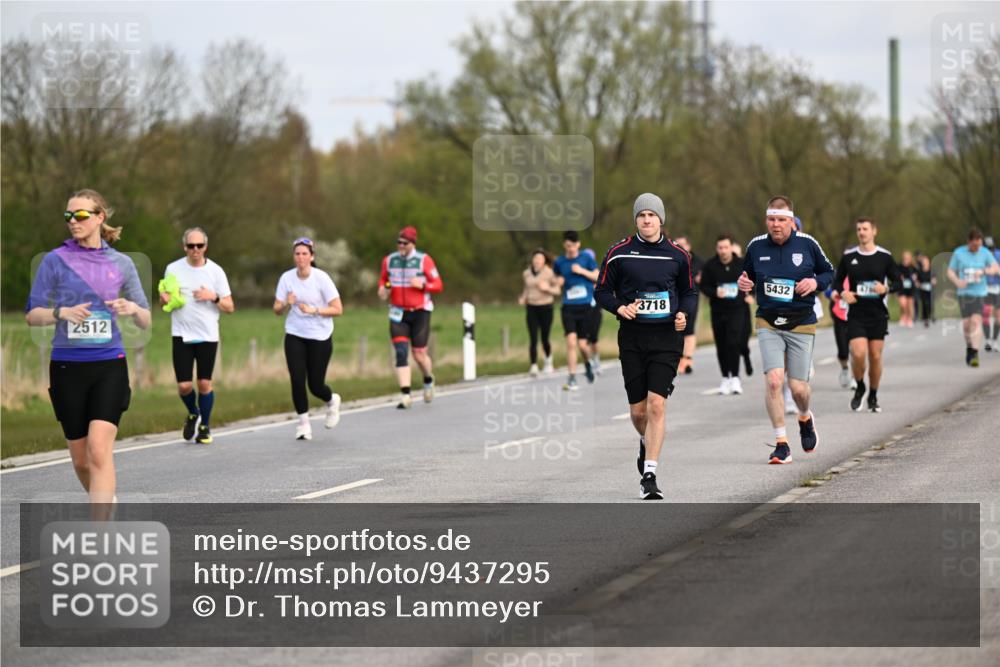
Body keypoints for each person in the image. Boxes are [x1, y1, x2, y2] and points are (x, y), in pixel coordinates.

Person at [26, 189, 151, 518]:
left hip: (109, 364)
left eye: (80, 215)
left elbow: (146, 317)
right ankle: (106, 501)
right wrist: (60, 314)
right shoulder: (54, 260)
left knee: (99, 449)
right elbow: (32, 314)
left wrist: (131, 307)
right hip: (67, 367)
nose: (73, 222)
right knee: (82, 460)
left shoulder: (121, 263)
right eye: (69, 216)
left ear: (99, 217)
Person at [594, 193, 697, 500]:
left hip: (666, 338)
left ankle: (649, 475)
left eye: (652, 215)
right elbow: (601, 291)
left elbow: (689, 292)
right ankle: (644, 440)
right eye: (642, 216)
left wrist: (683, 314)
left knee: (657, 405)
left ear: (661, 219)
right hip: (633, 339)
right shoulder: (619, 253)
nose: (647, 220)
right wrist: (619, 308)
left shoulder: (678, 255)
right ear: (636, 220)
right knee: (639, 413)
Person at [737, 196, 834, 464]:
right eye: (771, 219)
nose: (776, 225)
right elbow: (747, 277)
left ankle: (804, 417)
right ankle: (781, 443)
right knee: (774, 380)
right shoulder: (756, 246)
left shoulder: (808, 244)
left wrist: (814, 283)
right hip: (768, 321)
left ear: (791, 221)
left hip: (801, 321)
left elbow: (829, 273)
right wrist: (744, 284)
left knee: (798, 388)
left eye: (781, 220)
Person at [160, 227, 234, 444]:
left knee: (204, 384)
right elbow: (165, 298)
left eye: (199, 246)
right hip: (181, 333)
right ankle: (193, 412)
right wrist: (163, 299)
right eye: (191, 246)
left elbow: (230, 307)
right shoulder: (172, 269)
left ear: (205, 247)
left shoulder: (216, 272)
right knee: (184, 386)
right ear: (184, 247)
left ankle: (205, 426)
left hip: (208, 334)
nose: (195, 250)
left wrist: (213, 296)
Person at [274, 238, 343, 440]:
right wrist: (287, 303)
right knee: (297, 379)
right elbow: (277, 310)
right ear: (293, 256)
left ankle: (331, 400)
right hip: (295, 333)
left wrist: (314, 310)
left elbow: (338, 309)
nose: (301, 257)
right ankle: (303, 424)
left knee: (315, 385)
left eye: (305, 254)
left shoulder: (321, 278)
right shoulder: (286, 278)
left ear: (311, 257)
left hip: (320, 336)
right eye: (297, 254)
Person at [834, 218, 903, 413]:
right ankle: (860, 386)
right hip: (856, 314)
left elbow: (900, 282)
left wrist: (886, 288)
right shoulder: (849, 257)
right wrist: (843, 293)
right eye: (858, 229)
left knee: (874, 356)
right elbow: (837, 282)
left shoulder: (884, 257)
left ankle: (873, 394)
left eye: (865, 229)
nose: (862, 232)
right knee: (857, 353)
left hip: (877, 315)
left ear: (874, 231)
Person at [378, 226, 443, 408]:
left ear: (412, 244)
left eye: (404, 243)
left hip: (420, 311)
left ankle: (428, 379)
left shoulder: (424, 260)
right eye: (398, 242)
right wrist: (383, 289)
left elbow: (438, 284)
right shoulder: (389, 260)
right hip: (398, 312)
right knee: (400, 352)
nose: (400, 246)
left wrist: (422, 285)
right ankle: (405, 395)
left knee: (419, 354)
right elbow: (383, 280)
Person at [698, 234, 750, 395]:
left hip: (737, 309)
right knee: (721, 344)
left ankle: (735, 377)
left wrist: (751, 294)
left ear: (731, 247)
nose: (723, 251)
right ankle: (725, 377)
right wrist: (714, 292)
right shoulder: (710, 266)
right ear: (716, 249)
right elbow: (703, 286)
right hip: (718, 310)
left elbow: (752, 281)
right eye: (720, 248)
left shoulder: (741, 264)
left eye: (726, 247)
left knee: (733, 341)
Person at [947, 228, 1000, 367]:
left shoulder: (985, 252)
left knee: (976, 320)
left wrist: (984, 271)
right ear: (969, 242)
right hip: (964, 294)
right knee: (966, 324)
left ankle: (975, 353)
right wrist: (957, 281)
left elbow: (996, 269)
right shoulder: (959, 253)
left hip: (980, 293)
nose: (977, 248)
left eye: (979, 245)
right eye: (974, 245)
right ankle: (969, 348)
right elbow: (950, 271)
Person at [553, 230, 599, 390]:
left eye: (573, 246)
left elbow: (597, 276)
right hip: (568, 307)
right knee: (571, 342)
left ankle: (588, 363)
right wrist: (557, 282)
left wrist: (581, 271)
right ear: (564, 245)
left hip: (585, 307)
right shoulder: (559, 262)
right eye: (567, 246)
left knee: (582, 345)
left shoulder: (586, 259)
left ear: (578, 244)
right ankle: (572, 377)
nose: (570, 249)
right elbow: (557, 280)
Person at [518, 249, 560, 376]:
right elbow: (526, 289)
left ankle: (548, 361)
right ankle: (534, 365)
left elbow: (557, 290)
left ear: (544, 261)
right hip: (531, 307)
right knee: (533, 338)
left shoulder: (549, 273)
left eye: (540, 259)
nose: (537, 261)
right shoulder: (526, 273)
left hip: (546, 307)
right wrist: (523, 297)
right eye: (535, 258)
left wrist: (547, 288)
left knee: (544, 337)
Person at [673, 235, 703, 375]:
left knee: (689, 328)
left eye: (683, 244)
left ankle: (688, 359)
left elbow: (700, 278)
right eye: (677, 244)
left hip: (692, 298)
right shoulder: (673, 259)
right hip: (675, 298)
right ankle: (679, 359)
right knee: (678, 328)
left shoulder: (697, 261)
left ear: (689, 246)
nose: (681, 247)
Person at [827, 276, 856, 389]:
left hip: (856, 317)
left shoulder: (862, 272)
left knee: (855, 349)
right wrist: (831, 294)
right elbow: (826, 291)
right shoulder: (837, 274)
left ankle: (854, 378)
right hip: (839, 317)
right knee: (843, 351)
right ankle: (845, 368)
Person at [581, 246, 604, 375]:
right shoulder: (580, 274)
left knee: (594, 337)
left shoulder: (597, 273)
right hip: (583, 309)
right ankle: (589, 363)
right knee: (584, 338)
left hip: (595, 309)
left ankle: (597, 361)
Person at [984, 237, 1000, 351]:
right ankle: (988, 340)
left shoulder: (998, 255)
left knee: (998, 316)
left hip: (997, 288)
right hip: (985, 289)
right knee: (986, 314)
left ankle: (994, 340)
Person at [896, 251, 918, 327]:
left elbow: (916, 276)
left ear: (910, 257)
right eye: (905, 257)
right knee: (903, 303)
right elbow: (895, 274)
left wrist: (915, 279)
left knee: (910, 304)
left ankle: (909, 319)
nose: (906, 258)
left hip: (911, 288)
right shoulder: (899, 266)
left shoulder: (913, 267)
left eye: (908, 257)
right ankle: (904, 316)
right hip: (902, 288)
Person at [914, 253, 936, 328]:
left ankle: (931, 314)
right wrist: (918, 284)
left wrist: (934, 282)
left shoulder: (932, 270)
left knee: (929, 303)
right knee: (924, 304)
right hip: (922, 289)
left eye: (926, 261)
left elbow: (935, 279)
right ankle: (925, 319)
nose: (925, 262)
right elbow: (916, 280)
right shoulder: (919, 271)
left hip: (930, 289)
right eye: (923, 261)